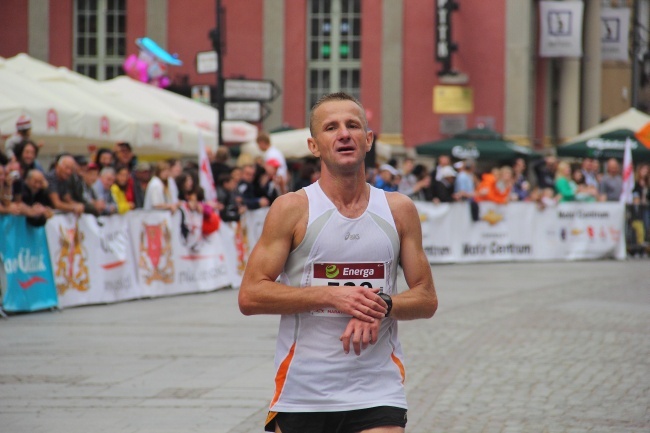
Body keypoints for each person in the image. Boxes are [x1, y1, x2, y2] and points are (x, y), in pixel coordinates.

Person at [239, 92, 438, 433]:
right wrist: (331, 295)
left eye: (353, 125)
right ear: (314, 146)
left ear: (368, 139)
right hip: (303, 392)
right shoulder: (292, 208)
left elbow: (427, 298)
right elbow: (250, 296)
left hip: (378, 390)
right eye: (331, 127)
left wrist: (382, 304)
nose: (344, 133)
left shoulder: (398, 209)